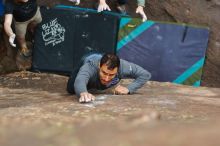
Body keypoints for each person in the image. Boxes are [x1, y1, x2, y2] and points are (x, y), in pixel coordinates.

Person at [67, 53, 151, 103]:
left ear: (118, 69)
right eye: (104, 73)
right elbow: (80, 80)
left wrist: (129, 89)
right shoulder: (90, 66)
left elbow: (145, 74)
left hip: (103, 57)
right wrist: (83, 92)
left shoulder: (123, 66)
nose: (106, 79)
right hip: (87, 58)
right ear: (99, 66)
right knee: (71, 89)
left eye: (111, 75)